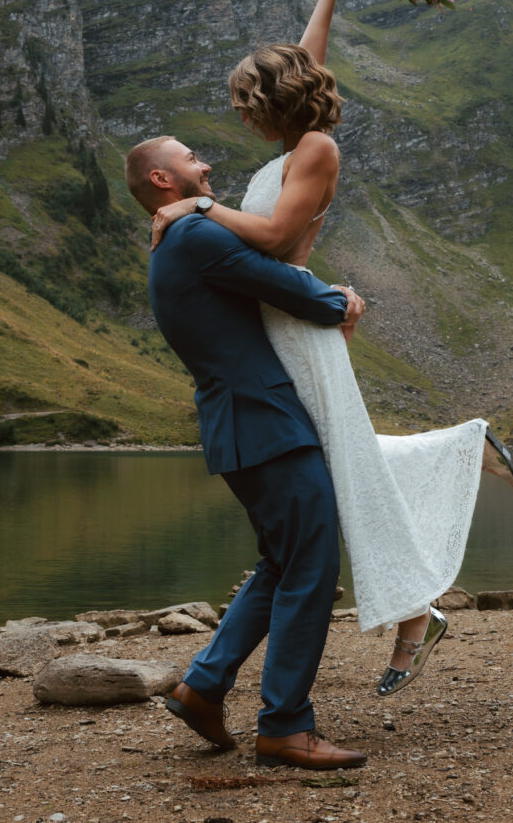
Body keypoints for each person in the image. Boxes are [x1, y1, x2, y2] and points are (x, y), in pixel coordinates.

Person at [150, 0, 513, 698]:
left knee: (340, 472)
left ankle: (413, 613)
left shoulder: (314, 151)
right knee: (339, 466)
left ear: (273, 98)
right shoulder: (296, 147)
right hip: (278, 327)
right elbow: (303, 64)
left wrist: (191, 208)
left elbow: (272, 236)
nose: (238, 112)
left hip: (292, 333)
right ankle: (448, 481)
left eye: (244, 98)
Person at [125, 135, 368, 769]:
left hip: (241, 425)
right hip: (264, 424)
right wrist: (342, 300)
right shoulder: (197, 238)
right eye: (190, 159)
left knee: (282, 563)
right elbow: (289, 288)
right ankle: (285, 726)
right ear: (161, 179)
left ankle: (202, 686)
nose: (205, 165)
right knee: (312, 565)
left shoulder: (183, 237)